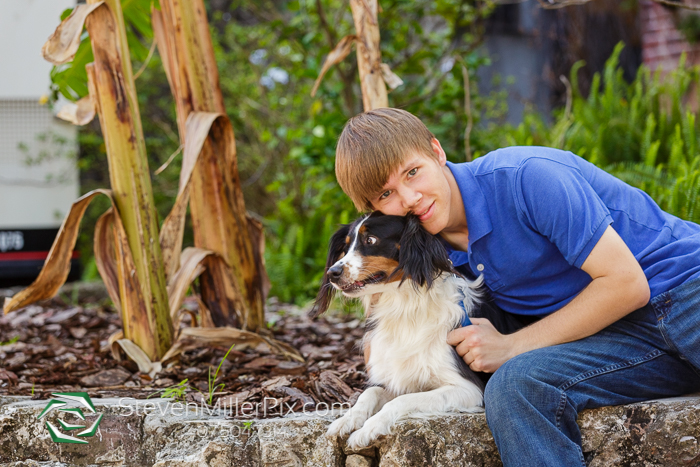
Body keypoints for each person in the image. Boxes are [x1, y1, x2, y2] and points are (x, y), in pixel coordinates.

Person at [333, 107, 700, 466]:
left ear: (437, 151)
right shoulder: (429, 251)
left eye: (413, 172)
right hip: (620, 339)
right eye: (386, 195)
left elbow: (627, 285)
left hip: (686, 290)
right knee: (514, 387)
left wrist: (512, 346)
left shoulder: (527, 178)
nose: (409, 198)